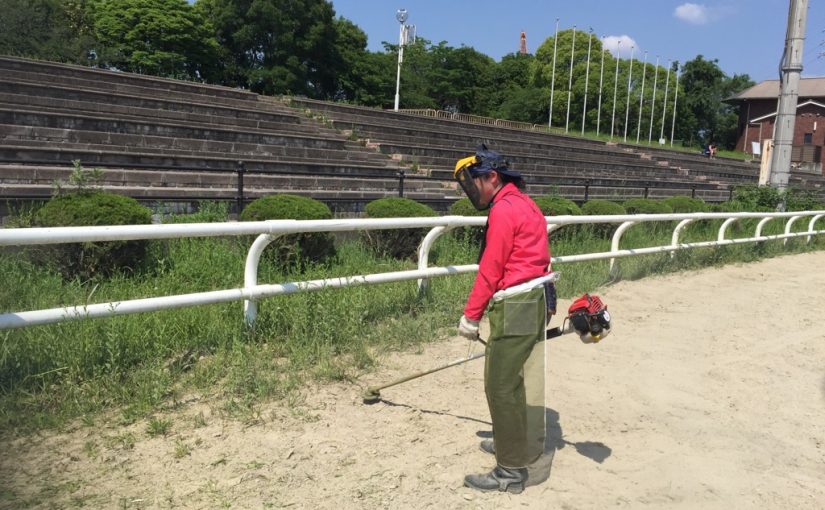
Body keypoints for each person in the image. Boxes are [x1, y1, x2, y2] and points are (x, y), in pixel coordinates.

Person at [453, 144, 553, 494]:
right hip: (531, 299)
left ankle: (510, 470)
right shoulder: (523, 202)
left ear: (491, 177)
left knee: (500, 386)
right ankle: (512, 443)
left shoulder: (504, 210)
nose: (472, 190)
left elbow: (491, 269)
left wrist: (471, 315)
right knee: (513, 383)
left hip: (516, 303)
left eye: (474, 182)